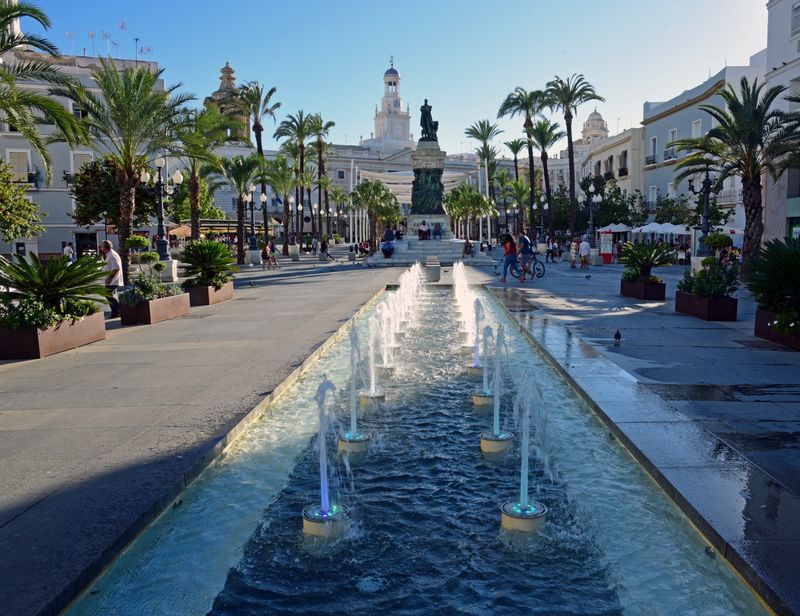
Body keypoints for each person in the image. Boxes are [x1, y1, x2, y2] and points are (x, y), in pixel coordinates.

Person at [98, 239, 123, 318]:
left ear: (105, 247)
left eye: (102, 246)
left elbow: (116, 268)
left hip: (113, 280)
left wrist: (110, 277)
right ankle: (117, 312)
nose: (101, 247)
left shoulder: (112, 255)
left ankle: (118, 311)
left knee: (108, 295)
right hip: (111, 280)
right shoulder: (108, 254)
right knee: (111, 295)